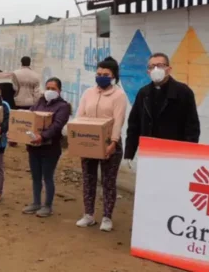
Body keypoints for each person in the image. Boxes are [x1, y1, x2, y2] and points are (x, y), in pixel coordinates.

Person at [74, 57, 128, 231]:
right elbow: (80, 115)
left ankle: (107, 217)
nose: (101, 76)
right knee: (88, 179)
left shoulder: (119, 95)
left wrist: (113, 142)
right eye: (98, 74)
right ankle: (88, 215)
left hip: (110, 143)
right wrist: (77, 138)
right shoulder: (88, 93)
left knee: (108, 181)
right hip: (88, 141)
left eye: (105, 74)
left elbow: (118, 121)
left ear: (113, 76)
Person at [123, 52, 200, 169]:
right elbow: (134, 125)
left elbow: (192, 128)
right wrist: (129, 153)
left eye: (159, 65)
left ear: (168, 69)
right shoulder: (143, 94)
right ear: (147, 72)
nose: (155, 69)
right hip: (148, 153)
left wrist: (188, 155)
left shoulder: (183, 92)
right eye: (151, 67)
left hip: (174, 155)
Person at [23, 77, 71, 217]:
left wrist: (42, 136)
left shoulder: (63, 107)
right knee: (36, 176)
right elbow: (29, 118)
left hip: (50, 148)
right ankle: (36, 202)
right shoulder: (39, 102)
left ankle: (47, 206)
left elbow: (57, 126)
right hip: (34, 146)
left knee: (47, 176)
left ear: (59, 90)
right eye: (48, 88)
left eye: (53, 89)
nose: (49, 91)